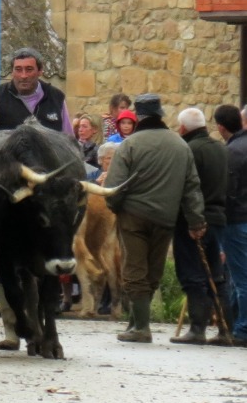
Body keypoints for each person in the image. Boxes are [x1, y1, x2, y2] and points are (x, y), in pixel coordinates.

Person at [102, 93, 206, 343]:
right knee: (153, 271)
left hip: (134, 216)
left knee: (134, 270)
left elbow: (114, 186)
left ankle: (141, 328)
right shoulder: (180, 145)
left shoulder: (130, 145)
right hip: (165, 218)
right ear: (160, 115)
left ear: (138, 117)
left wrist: (116, 207)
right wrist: (196, 220)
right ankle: (136, 322)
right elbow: (191, 187)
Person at [171, 107, 230, 344]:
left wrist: (193, 220)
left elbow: (188, 189)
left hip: (193, 221)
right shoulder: (221, 148)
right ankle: (227, 328)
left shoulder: (189, 150)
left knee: (192, 274)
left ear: (183, 128)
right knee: (217, 275)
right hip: (219, 219)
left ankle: (198, 328)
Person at [0, 48, 72, 134]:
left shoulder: (56, 97)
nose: (23, 76)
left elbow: (69, 141)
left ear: (40, 71)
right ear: (12, 72)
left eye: (29, 69)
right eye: (18, 69)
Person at [213, 104, 247, 345]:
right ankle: (236, 323)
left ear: (221, 127)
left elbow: (230, 192)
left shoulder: (232, 152)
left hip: (237, 220)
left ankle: (242, 328)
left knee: (241, 277)